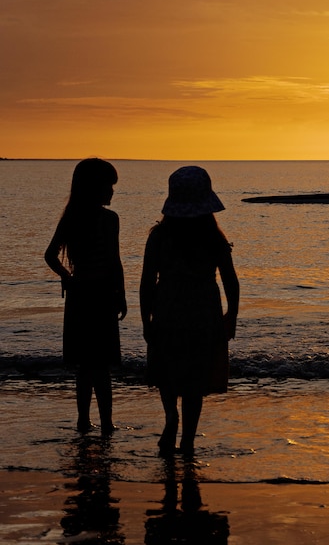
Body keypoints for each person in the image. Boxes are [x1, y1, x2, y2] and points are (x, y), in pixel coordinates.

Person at [140, 166, 240, 457]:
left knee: (168, 369)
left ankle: (171, 415)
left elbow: (147, 281)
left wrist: (146, 319)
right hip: (203, 308)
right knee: (195, 378)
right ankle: (189, 439)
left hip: (168, 305)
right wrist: (231, 314)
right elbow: (231, 280)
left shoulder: (159, 236)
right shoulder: (213, 237)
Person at [45, 158, 127, 435]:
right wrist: (121, 294)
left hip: (80, 296)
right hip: (100, 295)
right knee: (101, 366)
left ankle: (84, 420)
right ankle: (105, 423)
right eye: (109, 185)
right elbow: (115, 262)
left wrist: (67, 277)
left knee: (85, 366)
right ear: (95, 187)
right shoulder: (108, 219)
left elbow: (50, 256)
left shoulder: (72, 217)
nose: (112, 192)